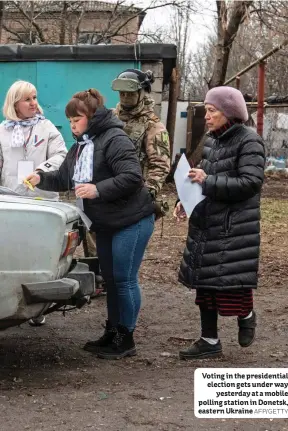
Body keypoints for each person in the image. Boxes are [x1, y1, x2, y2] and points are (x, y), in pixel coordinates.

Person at [25, 88, 155, 360]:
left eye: (76, 119)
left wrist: (98, 190)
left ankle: (126, 337)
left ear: (92, 117)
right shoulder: (81, 145)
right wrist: (41, 178)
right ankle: (112, 332)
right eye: (70, 120)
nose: (72, 125)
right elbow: (64, 178)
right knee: (110, 279)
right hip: (107, 221)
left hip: (132, 219)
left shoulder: (115, 139)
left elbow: (132, 177)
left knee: (124, 279)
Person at [174, 86, 265, 359]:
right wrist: (186, 201)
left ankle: (246, 314)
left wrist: (207, 180)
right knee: (205, 285)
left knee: (233, 284)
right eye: (206, 110)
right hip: (207, 223)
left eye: (211, 111)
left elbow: (250, 183)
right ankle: (209, 340)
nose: (207, 117)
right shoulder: (212, 140)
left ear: (229, 112)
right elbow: (205, 178)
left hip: (234, 227)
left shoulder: (250, 141)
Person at [0, 80, 67, 327]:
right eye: (27, 99)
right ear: (14, 102)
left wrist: (41, 170)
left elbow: (61, 154)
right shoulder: (3, 130)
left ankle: (39, 306)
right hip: (11, 198)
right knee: (15, 251)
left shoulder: (46, 127)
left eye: (35, 98)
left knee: (43, 252)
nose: (33, 103)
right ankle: (12, 301)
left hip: (42, 198)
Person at [112, 68, 170, 202]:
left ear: (141, 93)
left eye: (130, 94)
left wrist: (147, 193)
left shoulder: (153, 126)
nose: (125, 98)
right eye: (122, 94)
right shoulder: (111, 118)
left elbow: (160, 166)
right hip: (109, 191)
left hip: (135, 194)